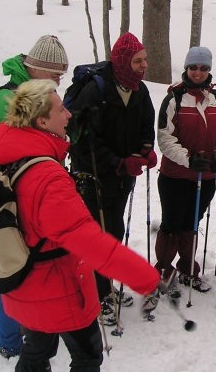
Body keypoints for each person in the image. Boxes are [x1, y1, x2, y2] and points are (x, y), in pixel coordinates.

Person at [0, 79, 160, 372]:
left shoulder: (9, 155)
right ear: (42, 120)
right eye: (61, 109)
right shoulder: (47, 177)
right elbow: (92, 243)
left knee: (37, 350)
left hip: (24, 285)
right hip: (58, 289)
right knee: (88, 356)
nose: (68, 115)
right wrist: (146, 277)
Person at [0, 34, 69, 359]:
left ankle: (22, 328)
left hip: (32, 201)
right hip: (9, 203)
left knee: (26, 270)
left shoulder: (39, 97)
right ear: (38, 70)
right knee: (13, 272)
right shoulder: (4, 103)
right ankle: (9, 339)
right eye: (56, 75)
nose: (59, 82)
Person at [67, 32, 157, 326]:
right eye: (138, 61)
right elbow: (84, 141)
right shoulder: (97, 90)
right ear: (122, 60)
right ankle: (98, 293)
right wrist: (119, 162)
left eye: (145, 60)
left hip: (121, 178)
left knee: (114, 231)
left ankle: (105, 287)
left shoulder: (139, 91)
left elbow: (146, 125)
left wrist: (145, 150)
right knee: (98, 236)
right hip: (93, 176)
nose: (143, 65)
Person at [151, 46, 216, 304]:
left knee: (191, 225)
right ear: (186, 68)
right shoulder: (174, 98)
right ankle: (163, 272)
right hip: (175, 175)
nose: (198, 72)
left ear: (209, 70)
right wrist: (189, 159)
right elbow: (164, 138)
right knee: (172, 225)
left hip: (206, 177)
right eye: (194, 67)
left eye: (204, 68)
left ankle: (188, 270)